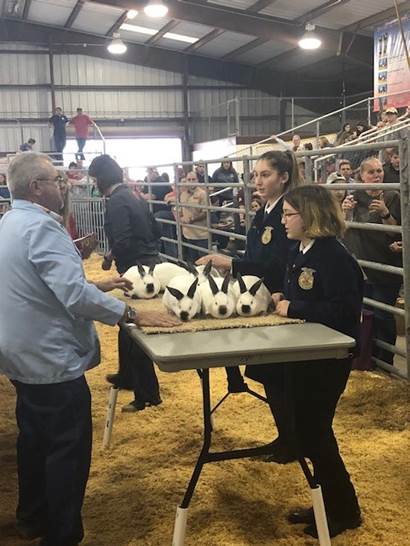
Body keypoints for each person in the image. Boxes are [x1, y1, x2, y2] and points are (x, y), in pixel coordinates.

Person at [0, 152, 178, 546]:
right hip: (50, 357)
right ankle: (63, 534)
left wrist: (99, 286)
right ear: (36, 187)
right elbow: (71, 296)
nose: (61, 186)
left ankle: (32, 518)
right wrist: (131, 314)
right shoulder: (43, 228)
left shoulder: (10, 222)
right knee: (67, 448)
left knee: (33, 440)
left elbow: (42, 285)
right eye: (54, 180)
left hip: (21, 355)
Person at [272, 184, 363, 539]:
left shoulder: (335, 257)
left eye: (288, 214)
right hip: (304, 354)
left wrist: (295, 307)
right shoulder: (302, 251)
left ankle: (345, 509)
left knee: (317, 433)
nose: (282, 220)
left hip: (327, 358)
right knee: (306, 432)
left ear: (309, 216)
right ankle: (326, 502)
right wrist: (285, 295)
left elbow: (345, 312)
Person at [197, 150, 302, 407]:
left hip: (278, 296)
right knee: (271, 379)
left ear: (284, 177)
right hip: (257, 294)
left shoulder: (288, 213)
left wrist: (232, 263)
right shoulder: (265, 211)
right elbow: (255, 253)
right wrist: (232, 266)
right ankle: (285, 438)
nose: (258, 181)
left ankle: (290, 440)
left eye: (265, 175)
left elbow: (278, 263)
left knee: (280, 378)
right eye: (256, 175)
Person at [88, 154, 164, 411]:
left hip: (135, 269)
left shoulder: (117, 202)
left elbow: (122, 239)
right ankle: (127, 376)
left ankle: (147, 394)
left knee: (134, 330)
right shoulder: (134, 196)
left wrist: (110, 257)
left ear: (99, 179)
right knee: (126, 325)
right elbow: (157, 231)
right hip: (149, 264)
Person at [342, 157, 402, 365]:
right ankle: (370, 358)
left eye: (379, 171)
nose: (377, 176)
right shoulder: (355, 197)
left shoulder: (393, 195)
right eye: (372, 172)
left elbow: (397, 232)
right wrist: (346, 212)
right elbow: (344, 230)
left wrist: (385, 213)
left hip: (386, 266)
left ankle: (387, 362)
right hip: (362, 267)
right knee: (367, 315)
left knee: (384, 316)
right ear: (362, 176)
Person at [178, 170, 209, 262]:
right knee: (191, 259)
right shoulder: (182, 194)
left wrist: (192, 219)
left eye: (193, 179)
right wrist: (181, 218)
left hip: (201, 234)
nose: (191, 181)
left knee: (203, 261)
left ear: (197, 180)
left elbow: (206, 212)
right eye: (189, 179)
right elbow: (180, 209)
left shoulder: (203, 194)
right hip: (188, 233)